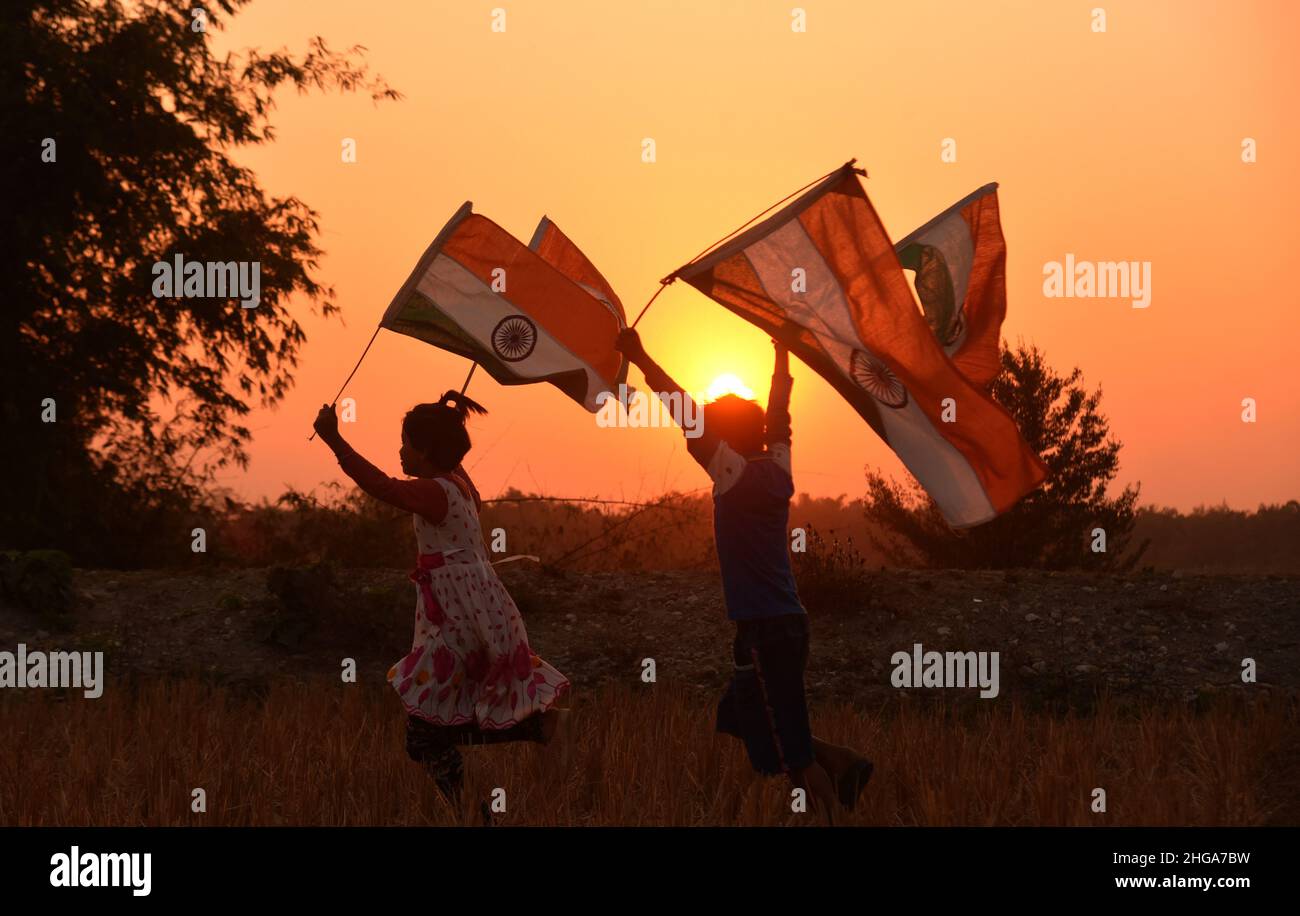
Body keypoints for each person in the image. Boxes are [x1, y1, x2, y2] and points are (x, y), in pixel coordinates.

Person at [616, 329, 873, 824]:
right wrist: (780, 354)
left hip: (764, 631)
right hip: (788, 625)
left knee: (793, 756)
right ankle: (841, 759)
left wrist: (641, 356)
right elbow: (781, 415)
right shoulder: (780, 467)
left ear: (724, 437)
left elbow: (680, 408)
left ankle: (832, 799)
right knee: (738, 715)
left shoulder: (730, 471)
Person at [312, 392, 570, 814]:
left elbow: (383, 487)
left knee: (424, 735)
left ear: (427, 450)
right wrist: (446, 418)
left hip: (455, 620)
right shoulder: (460, 487)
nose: (399, 450)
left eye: (406, 442)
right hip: (468, 614)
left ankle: (485, 799)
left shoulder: (434, 491)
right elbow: (438, 470)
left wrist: (335, 442)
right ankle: (529, 740)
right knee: (434, 730)